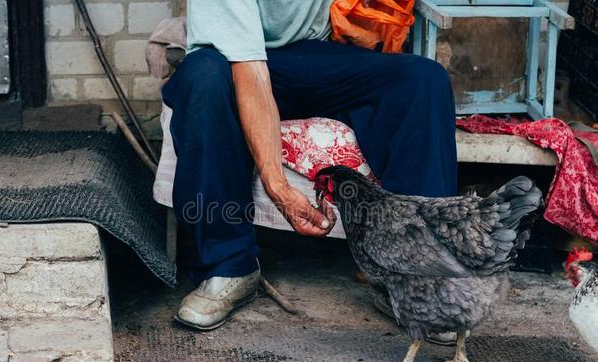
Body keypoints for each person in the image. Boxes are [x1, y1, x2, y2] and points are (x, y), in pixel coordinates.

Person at [162, 0, 457, 331]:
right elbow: (251, 72)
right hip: (234, 61)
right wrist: (279, 188)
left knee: (423, 80)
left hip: (309, 56)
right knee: (202, 77)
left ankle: (418, 278)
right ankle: (229, 266)